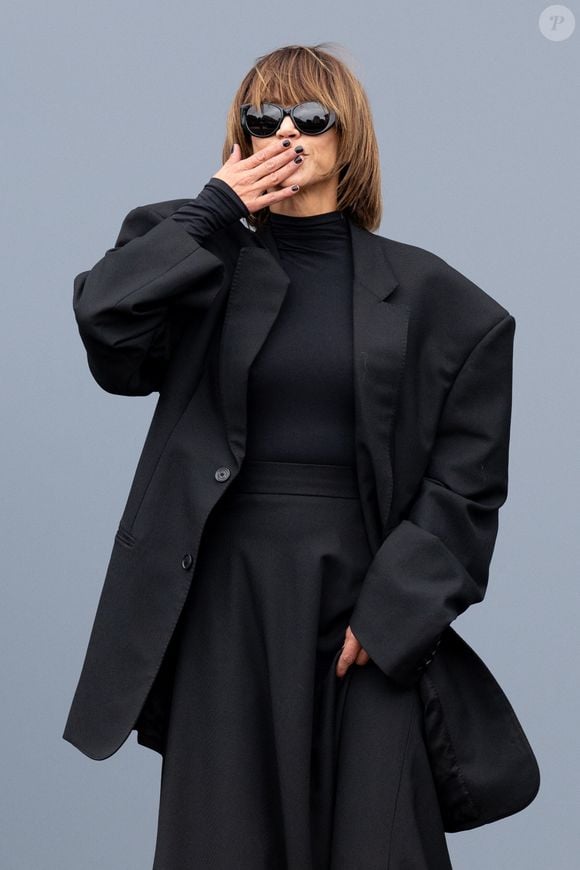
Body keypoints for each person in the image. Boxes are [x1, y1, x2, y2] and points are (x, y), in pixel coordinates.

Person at [64, 42, 516, 869]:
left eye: (311, 117)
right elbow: (107, 324)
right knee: (224, 843)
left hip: (364, 605)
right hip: (226, 605)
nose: (286, 133)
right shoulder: (196, 260)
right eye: (262, 118)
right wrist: (211, 210)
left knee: (378, 844)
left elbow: (469, 485)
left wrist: (393, 615)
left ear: (352, 138)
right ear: (237, 137)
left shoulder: (442, 304)